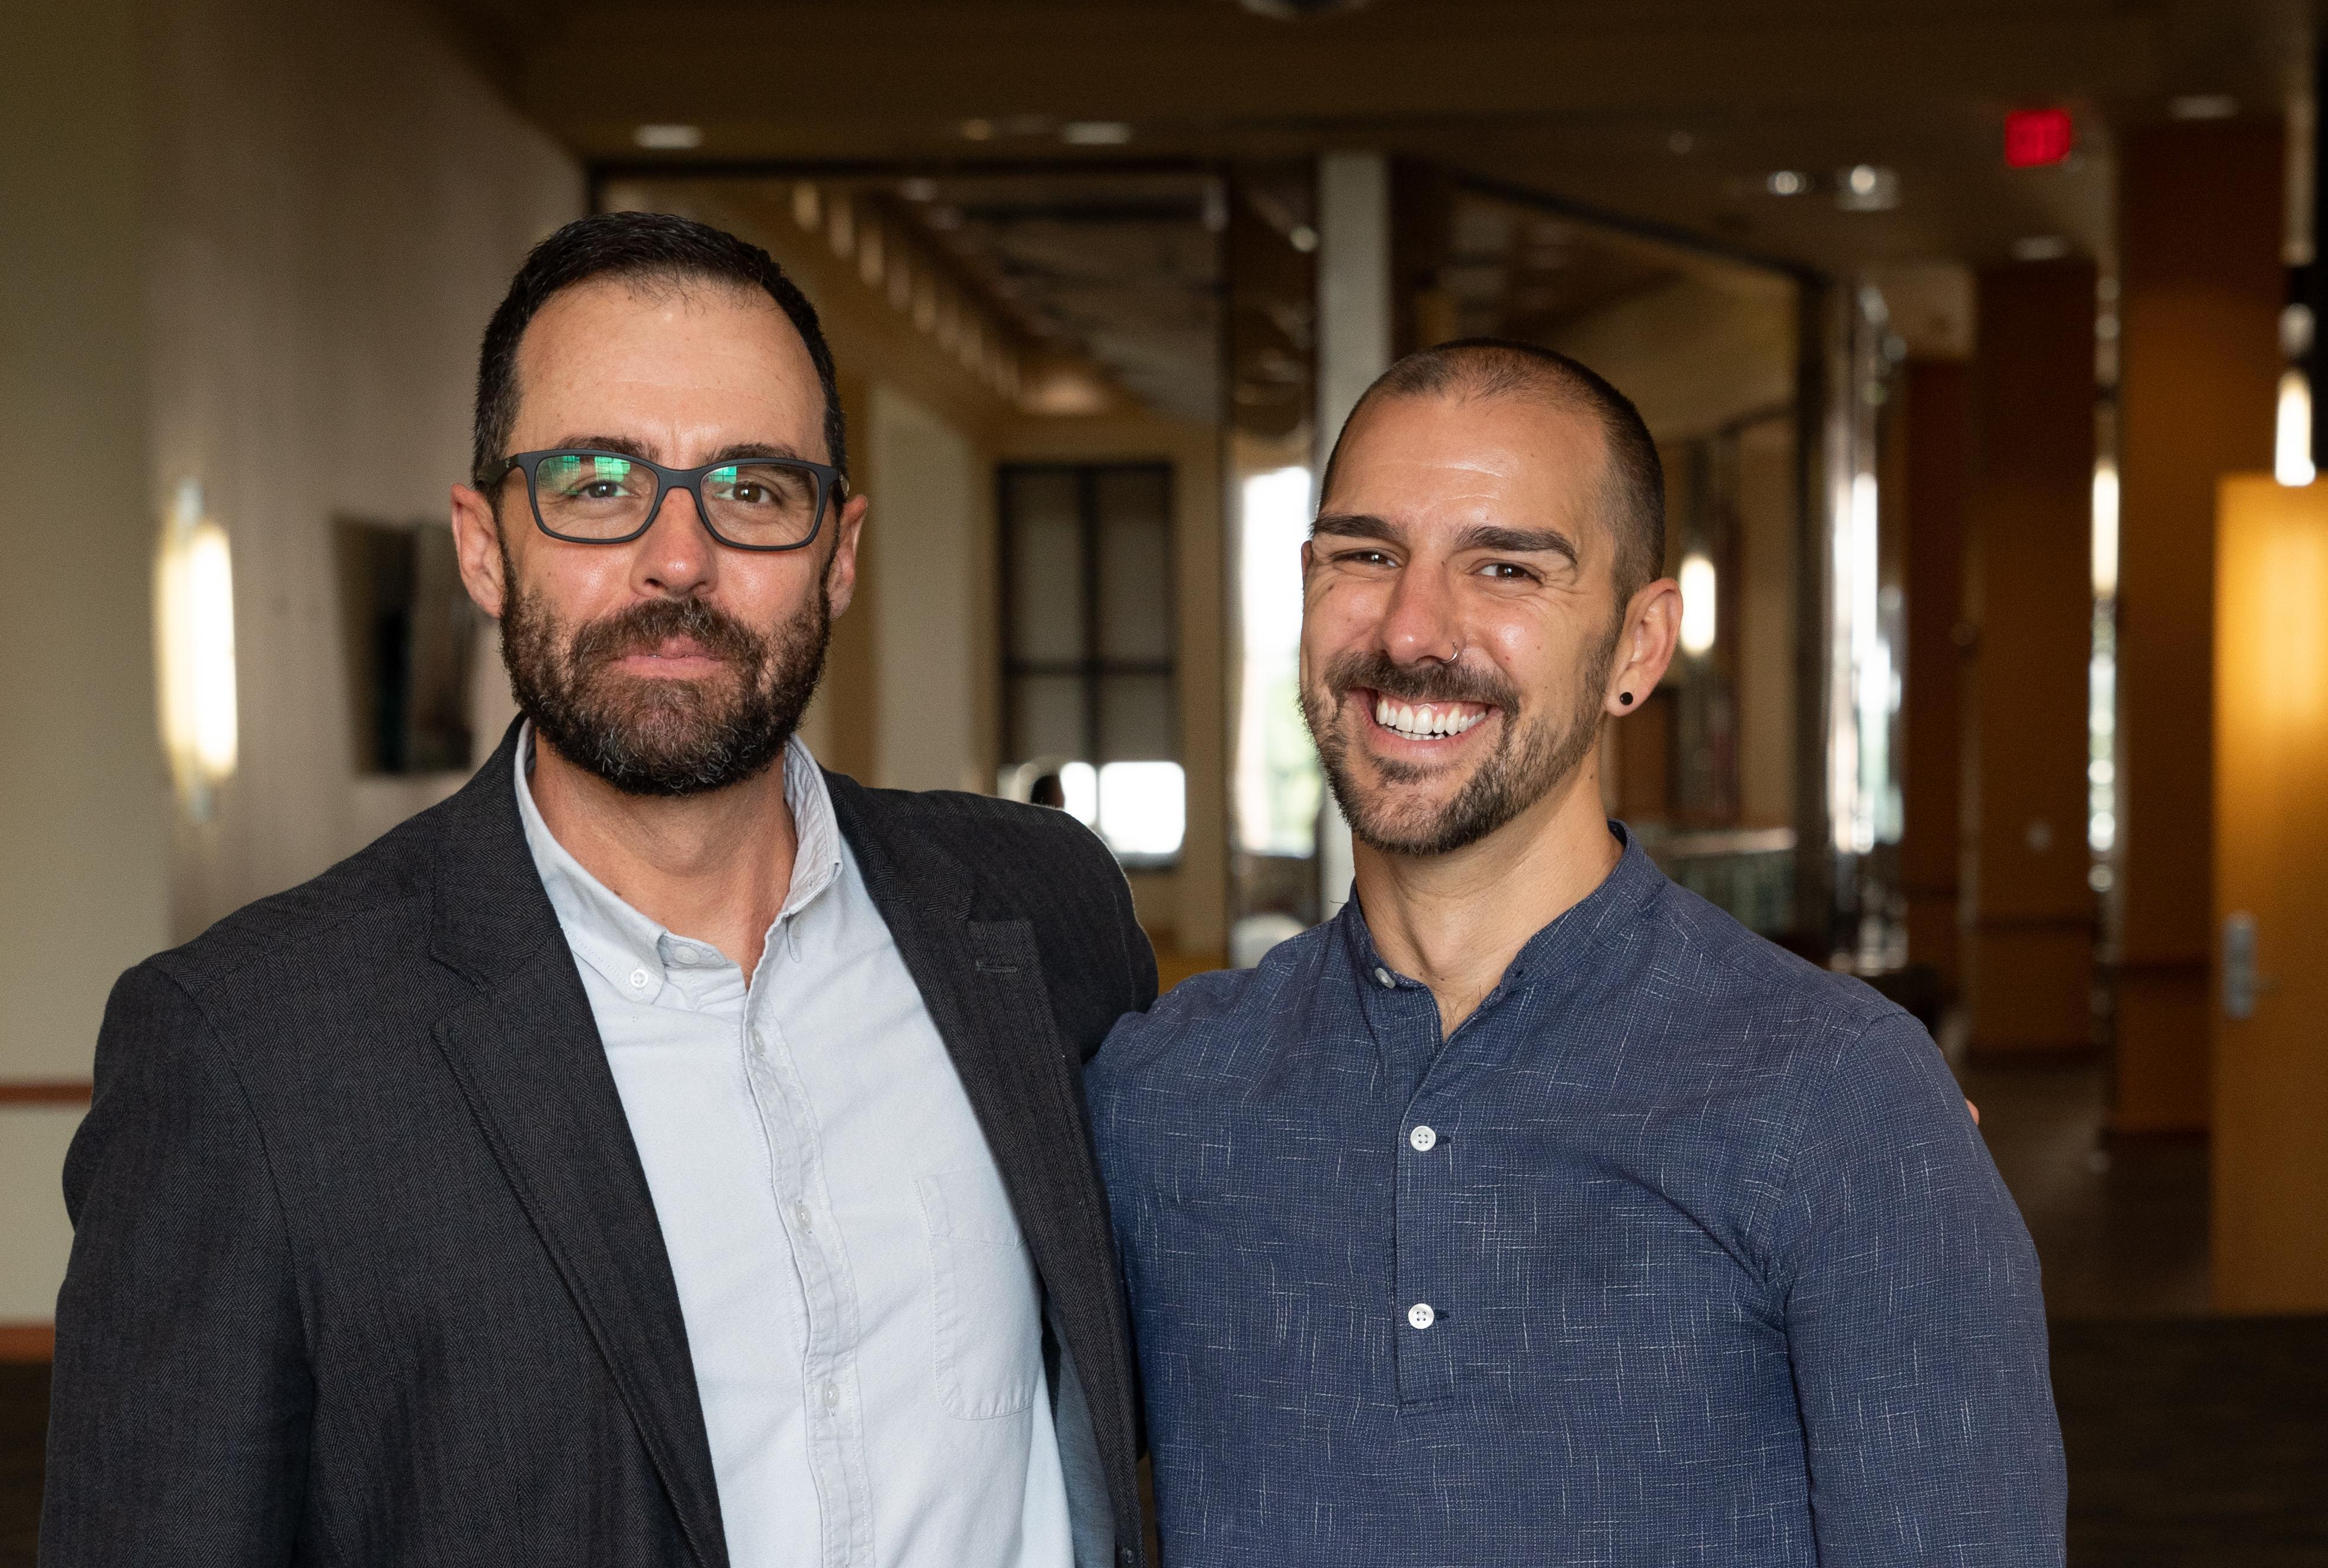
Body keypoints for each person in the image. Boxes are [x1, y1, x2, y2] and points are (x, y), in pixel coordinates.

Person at [43, 212, 1154, 1568]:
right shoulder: (250, 1052)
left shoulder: (1042, 914)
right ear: (482, 544)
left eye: (754, 489)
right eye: (594, 482)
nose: (678, 559)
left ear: (839, 552)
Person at [1086, 339, 2066, 1566]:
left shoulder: (1842, 1097)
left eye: (1505, 567)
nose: (1411, 628)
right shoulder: (1160, 1091)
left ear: (1638, 646)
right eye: (1365, 555)